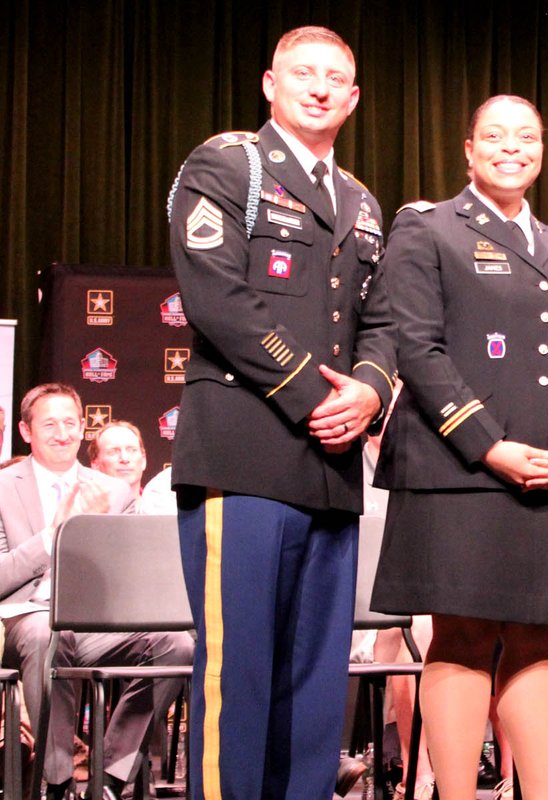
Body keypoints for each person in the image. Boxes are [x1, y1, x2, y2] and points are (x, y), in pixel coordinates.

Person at [168, 25, 395, 798]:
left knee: (314, 689)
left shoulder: (362, 202)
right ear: (271, 82)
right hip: (245, 457)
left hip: (331, 471)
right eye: (305, 72)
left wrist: (370, 390)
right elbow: (217, 299)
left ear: (356, 98)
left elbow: (383, 323)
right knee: (242, 679)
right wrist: (321, 397)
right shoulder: (227, 164)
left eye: (338, 77)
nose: (321, 87)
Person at [369, 95, 548, 800]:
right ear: (468, 150)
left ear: (542, 150)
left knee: (541, 641)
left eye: (527, 136)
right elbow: (416, 346)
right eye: (496, 136)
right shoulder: (427, 228)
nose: (513, 147)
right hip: (457, 471)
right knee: (463, 638)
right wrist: (489, 446)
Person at [0, 383, 192, 800]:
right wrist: (56, 535)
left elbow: (126, 581)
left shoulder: (114, 491)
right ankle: (58, 782)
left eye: (71, 423)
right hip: (27, 619)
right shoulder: (3, 487)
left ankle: (108, 777)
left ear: (83, 428)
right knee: (47, 633)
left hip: (93, 621)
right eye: (49, 424)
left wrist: (101, 537)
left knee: (176, 644)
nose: (62, 433)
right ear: (26, 431)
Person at [87, 421, 147, 503]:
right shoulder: (80, 511)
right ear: (95, 464)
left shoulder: (161, 509)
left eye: (132, 450)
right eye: (113, 452)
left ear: (143, 460)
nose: (124, 459)